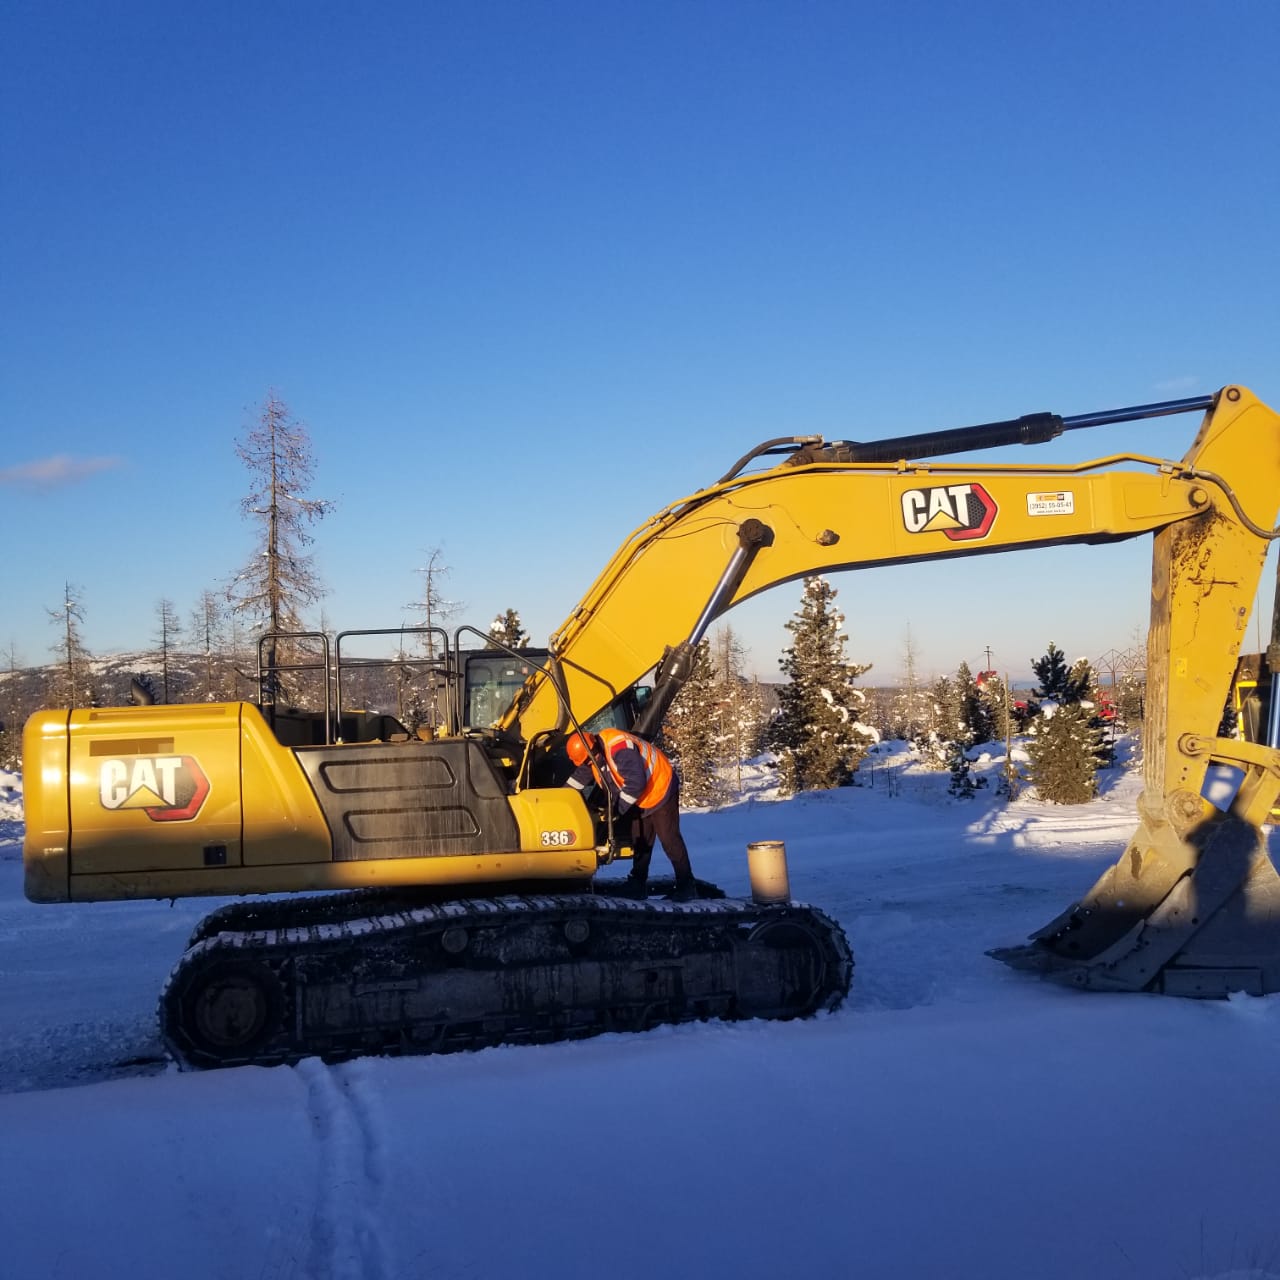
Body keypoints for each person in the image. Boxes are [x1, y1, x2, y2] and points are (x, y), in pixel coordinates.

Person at [565, 728, 697, 901]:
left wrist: (617, 810)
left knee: (669, 839)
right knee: (640, 839)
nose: (589, 764)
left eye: (589, 760)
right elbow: (577, 780)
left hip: (660, 788)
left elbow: (635, 783)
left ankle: (687, 885)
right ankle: (638, 884)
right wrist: (560, 799)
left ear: (594, 749)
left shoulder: (619, 747)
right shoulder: (592, 758)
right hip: (641, 796)